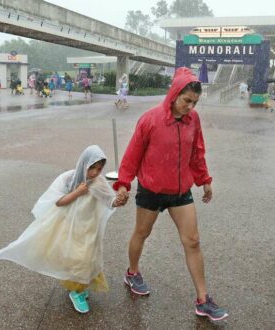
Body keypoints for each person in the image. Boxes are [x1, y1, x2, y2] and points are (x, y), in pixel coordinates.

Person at [114, 67, 228, 321]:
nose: (190, 107)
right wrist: (123, 183)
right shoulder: (150, 119)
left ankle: (202, 300)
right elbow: (132, 155)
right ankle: (132, 272)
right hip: (151, 189)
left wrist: (204, 180)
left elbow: (197, 152)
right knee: (142, 233)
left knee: (193, 241)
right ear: (175, 94)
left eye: (195, 102)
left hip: (180, 192)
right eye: (187, 100)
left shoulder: (193, 120)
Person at [0, 145, 127, 314]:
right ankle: (76, 291)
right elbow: (58, 201)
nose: (94, 172)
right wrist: (77, 192)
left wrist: (119, 201)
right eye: (91, 167)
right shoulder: (68, 178)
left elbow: (110, 200)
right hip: (70, 226)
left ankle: (79, 286)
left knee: (88, 258)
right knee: (76, 258)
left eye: (99, 169)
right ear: (83, 163)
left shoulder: (98, 182)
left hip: (89, 228)